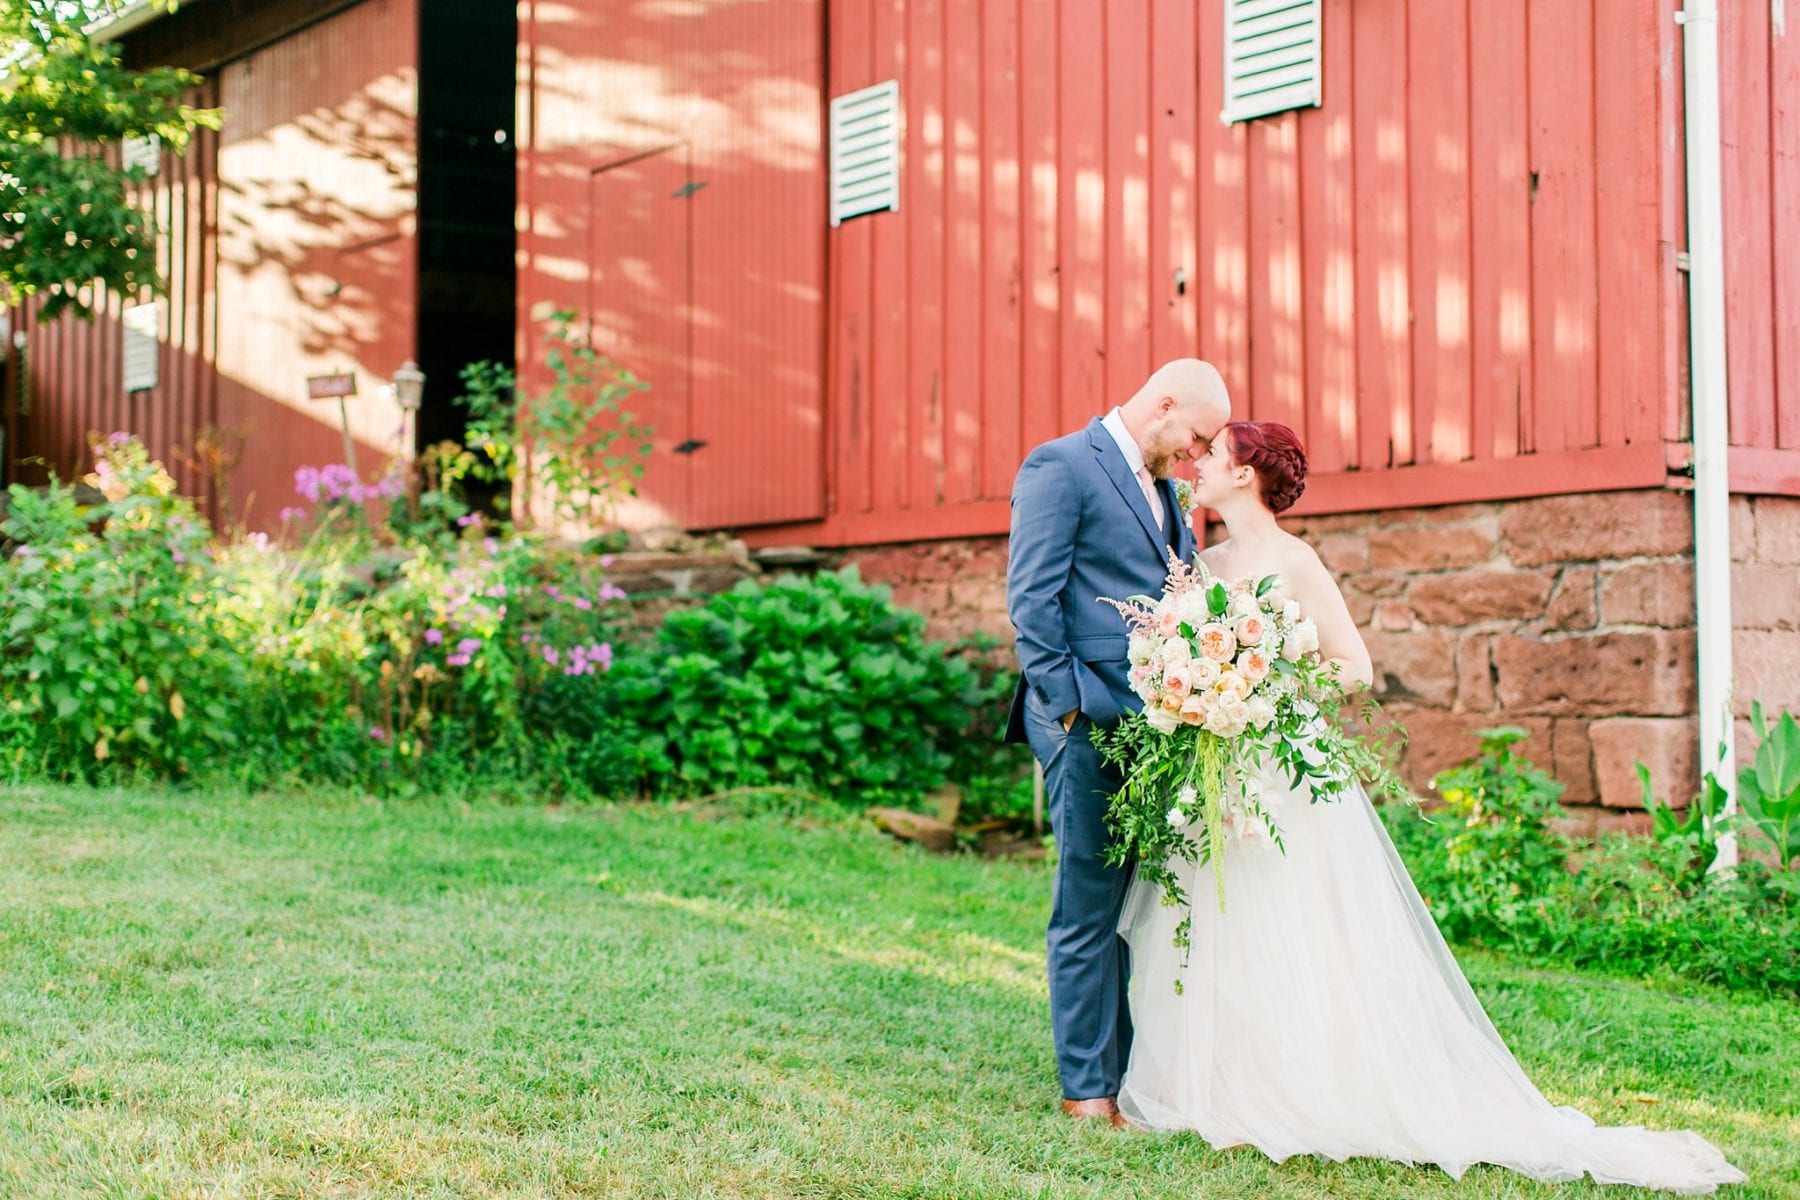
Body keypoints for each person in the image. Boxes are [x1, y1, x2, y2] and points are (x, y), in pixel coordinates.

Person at [1114, 420, 1747, 1193]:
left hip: (1280, 759)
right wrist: (1204, 691)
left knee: (1292, 916)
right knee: (1217, 912)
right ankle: (1215, 1081)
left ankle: (1311, 1079)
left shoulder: (1294, 562)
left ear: (1245, 474)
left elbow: (1355, 667)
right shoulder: (1204, 562)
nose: (1197, 467)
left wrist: (1262, 686)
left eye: (1211, 456)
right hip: (1219, 758)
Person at [1004, 359, 1233, 1128]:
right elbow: (1032, 599)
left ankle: (1125, 1074)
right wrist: (1067, 711)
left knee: (1131, 906)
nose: (1196, 458)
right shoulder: (1060, 465)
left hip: (1151, 726)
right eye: (1195, 438)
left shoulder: (1167, 494)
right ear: (1164, 405)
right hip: (1084, 722)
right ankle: (1087, 1090)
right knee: (1086, 907)